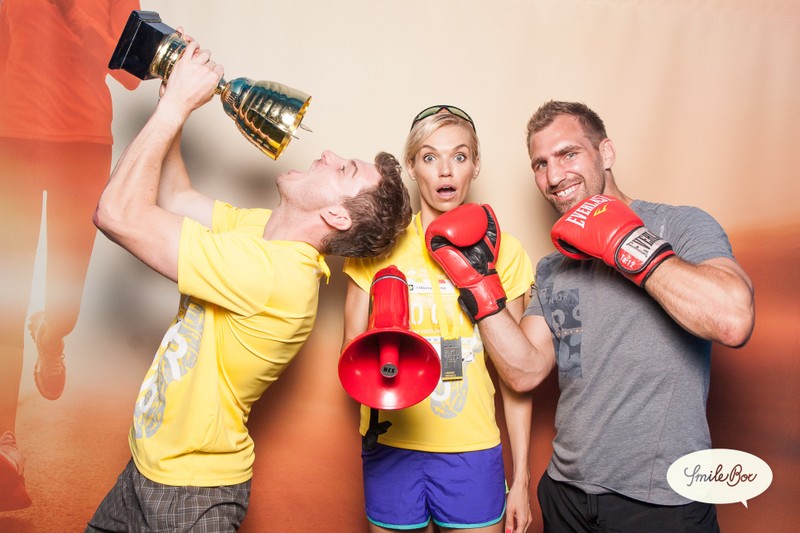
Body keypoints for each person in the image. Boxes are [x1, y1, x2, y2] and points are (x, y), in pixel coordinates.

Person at [84, 36, 412, 532]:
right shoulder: (265, 232)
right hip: (148, 466)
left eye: (344, 169)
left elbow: (115, 214)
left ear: (337, 217)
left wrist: (174, 108)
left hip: (191, 496)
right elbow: (175, 196)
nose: (327, 153)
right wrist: (173, 96)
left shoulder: (275, 275)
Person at [431, 100, 755, 532]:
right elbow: (525, 371)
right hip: (566, 494)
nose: (553, 176)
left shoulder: (678, 226)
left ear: (606, 153)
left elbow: (733, 319)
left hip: (662, 501)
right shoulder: (553, 267)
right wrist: (479, 286)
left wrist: (627, 243)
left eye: (568, 154)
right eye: (541, 164)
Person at [342, 105, 535, 533]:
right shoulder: (378, 246)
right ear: (411, 167)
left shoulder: (505, 251)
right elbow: (349, 355)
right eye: (430, 157)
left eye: (459, 156)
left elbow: (516, 375)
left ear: (476, 164)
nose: (445, 171)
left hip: (471, 448)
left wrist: (521, 478)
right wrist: (390, 343)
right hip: (391, 444)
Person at [0, 0, 141, 512]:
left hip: (81, 141)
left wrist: (80, 14)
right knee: (6, 298)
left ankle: (51, 334)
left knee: (64, 304)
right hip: (11, 137)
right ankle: (5, 442)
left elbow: (130, 74)